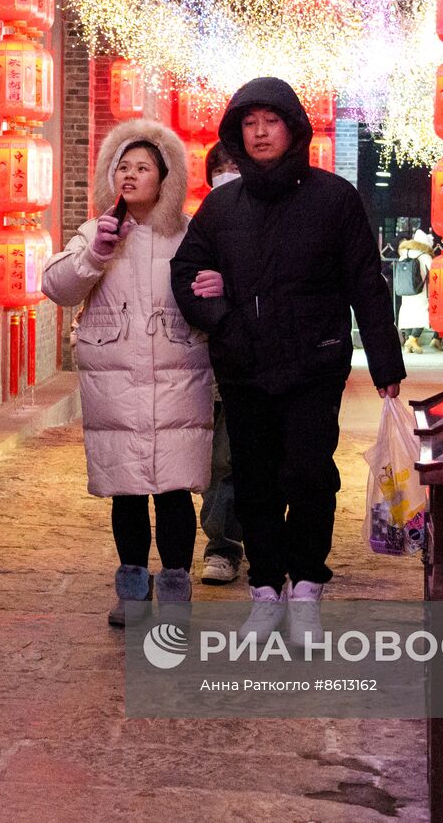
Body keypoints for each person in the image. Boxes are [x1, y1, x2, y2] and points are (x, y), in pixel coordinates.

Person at [170, 77, 406, 645]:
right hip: (244, 365)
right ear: (237, 135)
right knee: (253, 480)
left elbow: (365, 284)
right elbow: (184, 274)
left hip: (312, 364)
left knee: (307, 473)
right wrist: (223, 315)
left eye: (270, 122)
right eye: (249, 124)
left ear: (293, 129)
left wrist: (386, 365)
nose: (259, 132)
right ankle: (266, 587)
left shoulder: (334, 199)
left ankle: (306, 583)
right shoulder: (222, 207)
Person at [43, 119, 213, 627]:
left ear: (167, 179)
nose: (131, 175)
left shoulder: (190, 235)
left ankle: (178, 588)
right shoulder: (96, 232)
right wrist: (96, 254)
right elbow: (57, 286)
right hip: (116, 383)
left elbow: (213, 286)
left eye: (143, 167)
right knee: (128, 490)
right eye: (123, 166)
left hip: (178, 376)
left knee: (176, 490)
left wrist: (214, 283)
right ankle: (133, 590)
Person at [197, 141, 244, 585]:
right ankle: (223, 545)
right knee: (222, 457)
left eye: (235, 166)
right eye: (219, 167)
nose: (227, 173)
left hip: (271, 360)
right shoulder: (200, 224)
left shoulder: (277, 220)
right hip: (215, 360)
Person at [395, 229, 435, 354]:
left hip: (406, 290)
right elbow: (434, 271)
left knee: (408, 315)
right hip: (420, 291)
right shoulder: (424, 255)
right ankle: (412, 339)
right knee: (423, 314)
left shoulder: (404, 254)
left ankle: (408, 343)